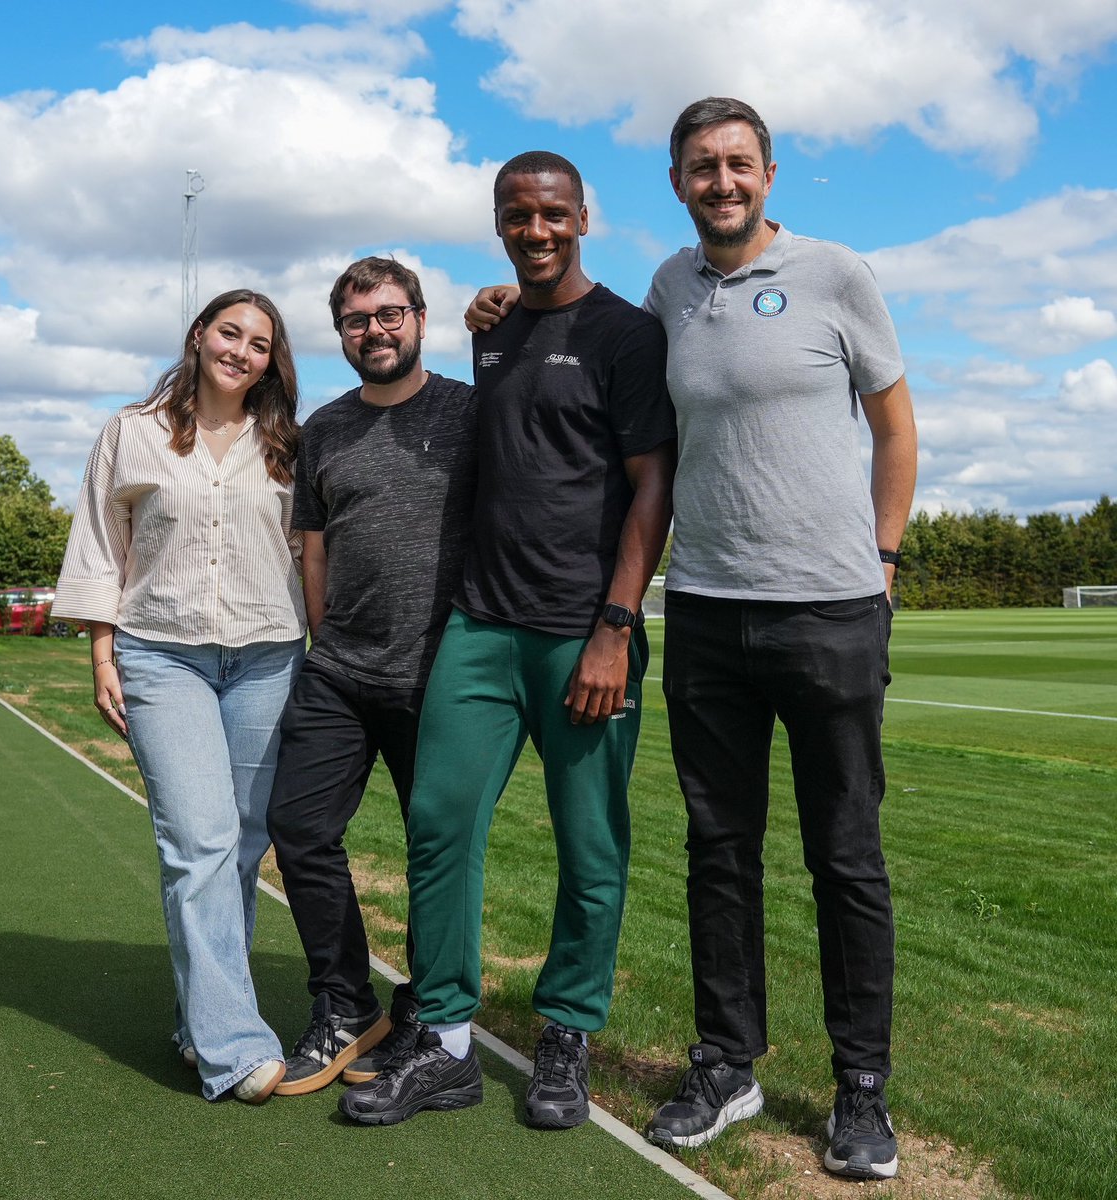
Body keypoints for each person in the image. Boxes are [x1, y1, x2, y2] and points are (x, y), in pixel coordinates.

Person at [465, 99, 917, 1181]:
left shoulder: (838, 274)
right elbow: (581, 329)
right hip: (707, 611)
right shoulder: (668, 291)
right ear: (675, 182)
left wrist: (885, 568)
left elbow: (896, 426)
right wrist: (501, 306)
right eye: (702, 167)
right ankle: (727, 1061)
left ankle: (862, 1089)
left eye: (738, 163)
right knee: (719, 852)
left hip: (831, 609)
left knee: (845, 856)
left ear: (768, 171)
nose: (722, 181)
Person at [338, 151, 676, 1131]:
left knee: (590, 844)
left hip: (584, 634)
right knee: (440, 823)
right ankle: (442, 1039)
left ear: (583, 216)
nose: (536, 230)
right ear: (498, 224)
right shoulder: (491, 331)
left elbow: (653, 484)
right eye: (517, 216)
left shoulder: (628, 335)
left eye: (552, 214)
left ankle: (567, 1030)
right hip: (480, 629)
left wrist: (616, 629)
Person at [51, 290, 308, 1105]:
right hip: (162, 656)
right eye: (229, 332)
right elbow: (98, 538)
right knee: (198, 840)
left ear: (273, 359)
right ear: (198, 337)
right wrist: (102, 652)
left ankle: (200, 1022)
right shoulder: (131, 431)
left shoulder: (289, 443)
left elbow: (312, 549)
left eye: (259, 343)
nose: (241, 351)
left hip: (269, 655)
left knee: (238, 846)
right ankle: (236, 1049)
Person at [265, 257, 477, 1097]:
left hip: (446, 675)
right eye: (357, 320)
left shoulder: (470, 412)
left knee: (438, 851)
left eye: (390, 314)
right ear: (341, 333)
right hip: (342, 672)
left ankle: (428, 1012)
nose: (375, 330)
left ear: (421, 319)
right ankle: (344, 1004)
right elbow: (313, 546)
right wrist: (326, 641)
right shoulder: (324, 428)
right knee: (299, 827)